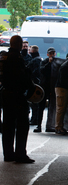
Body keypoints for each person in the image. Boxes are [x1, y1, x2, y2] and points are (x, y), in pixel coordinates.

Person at [1, 35, 35, 163]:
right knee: (22, 125)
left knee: (8, 126)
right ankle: (20, 154)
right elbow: (22, 77)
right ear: (20, 44)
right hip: (17, 95)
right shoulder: (17, 58)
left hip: (6, 93)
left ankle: (8, 154)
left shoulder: (4, 57)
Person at [34, 47, 62, 133]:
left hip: (52, 87)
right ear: (47, 54)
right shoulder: (44, 62)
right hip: (44, 86)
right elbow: (42, 70)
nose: (52, 55)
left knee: (52, 107)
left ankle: (50, 125)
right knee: (41, 107)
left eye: (53, 53)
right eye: (50, 53)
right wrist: (49, 63)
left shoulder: (57, 63)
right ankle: (39, 125)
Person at [26, 45, 42, 125]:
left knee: (34, 103)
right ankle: (34, 119)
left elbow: (34, 71)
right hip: (36, 82)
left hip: (34, 83)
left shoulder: (36, 60)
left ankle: (34, 119)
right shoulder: (38, 59)